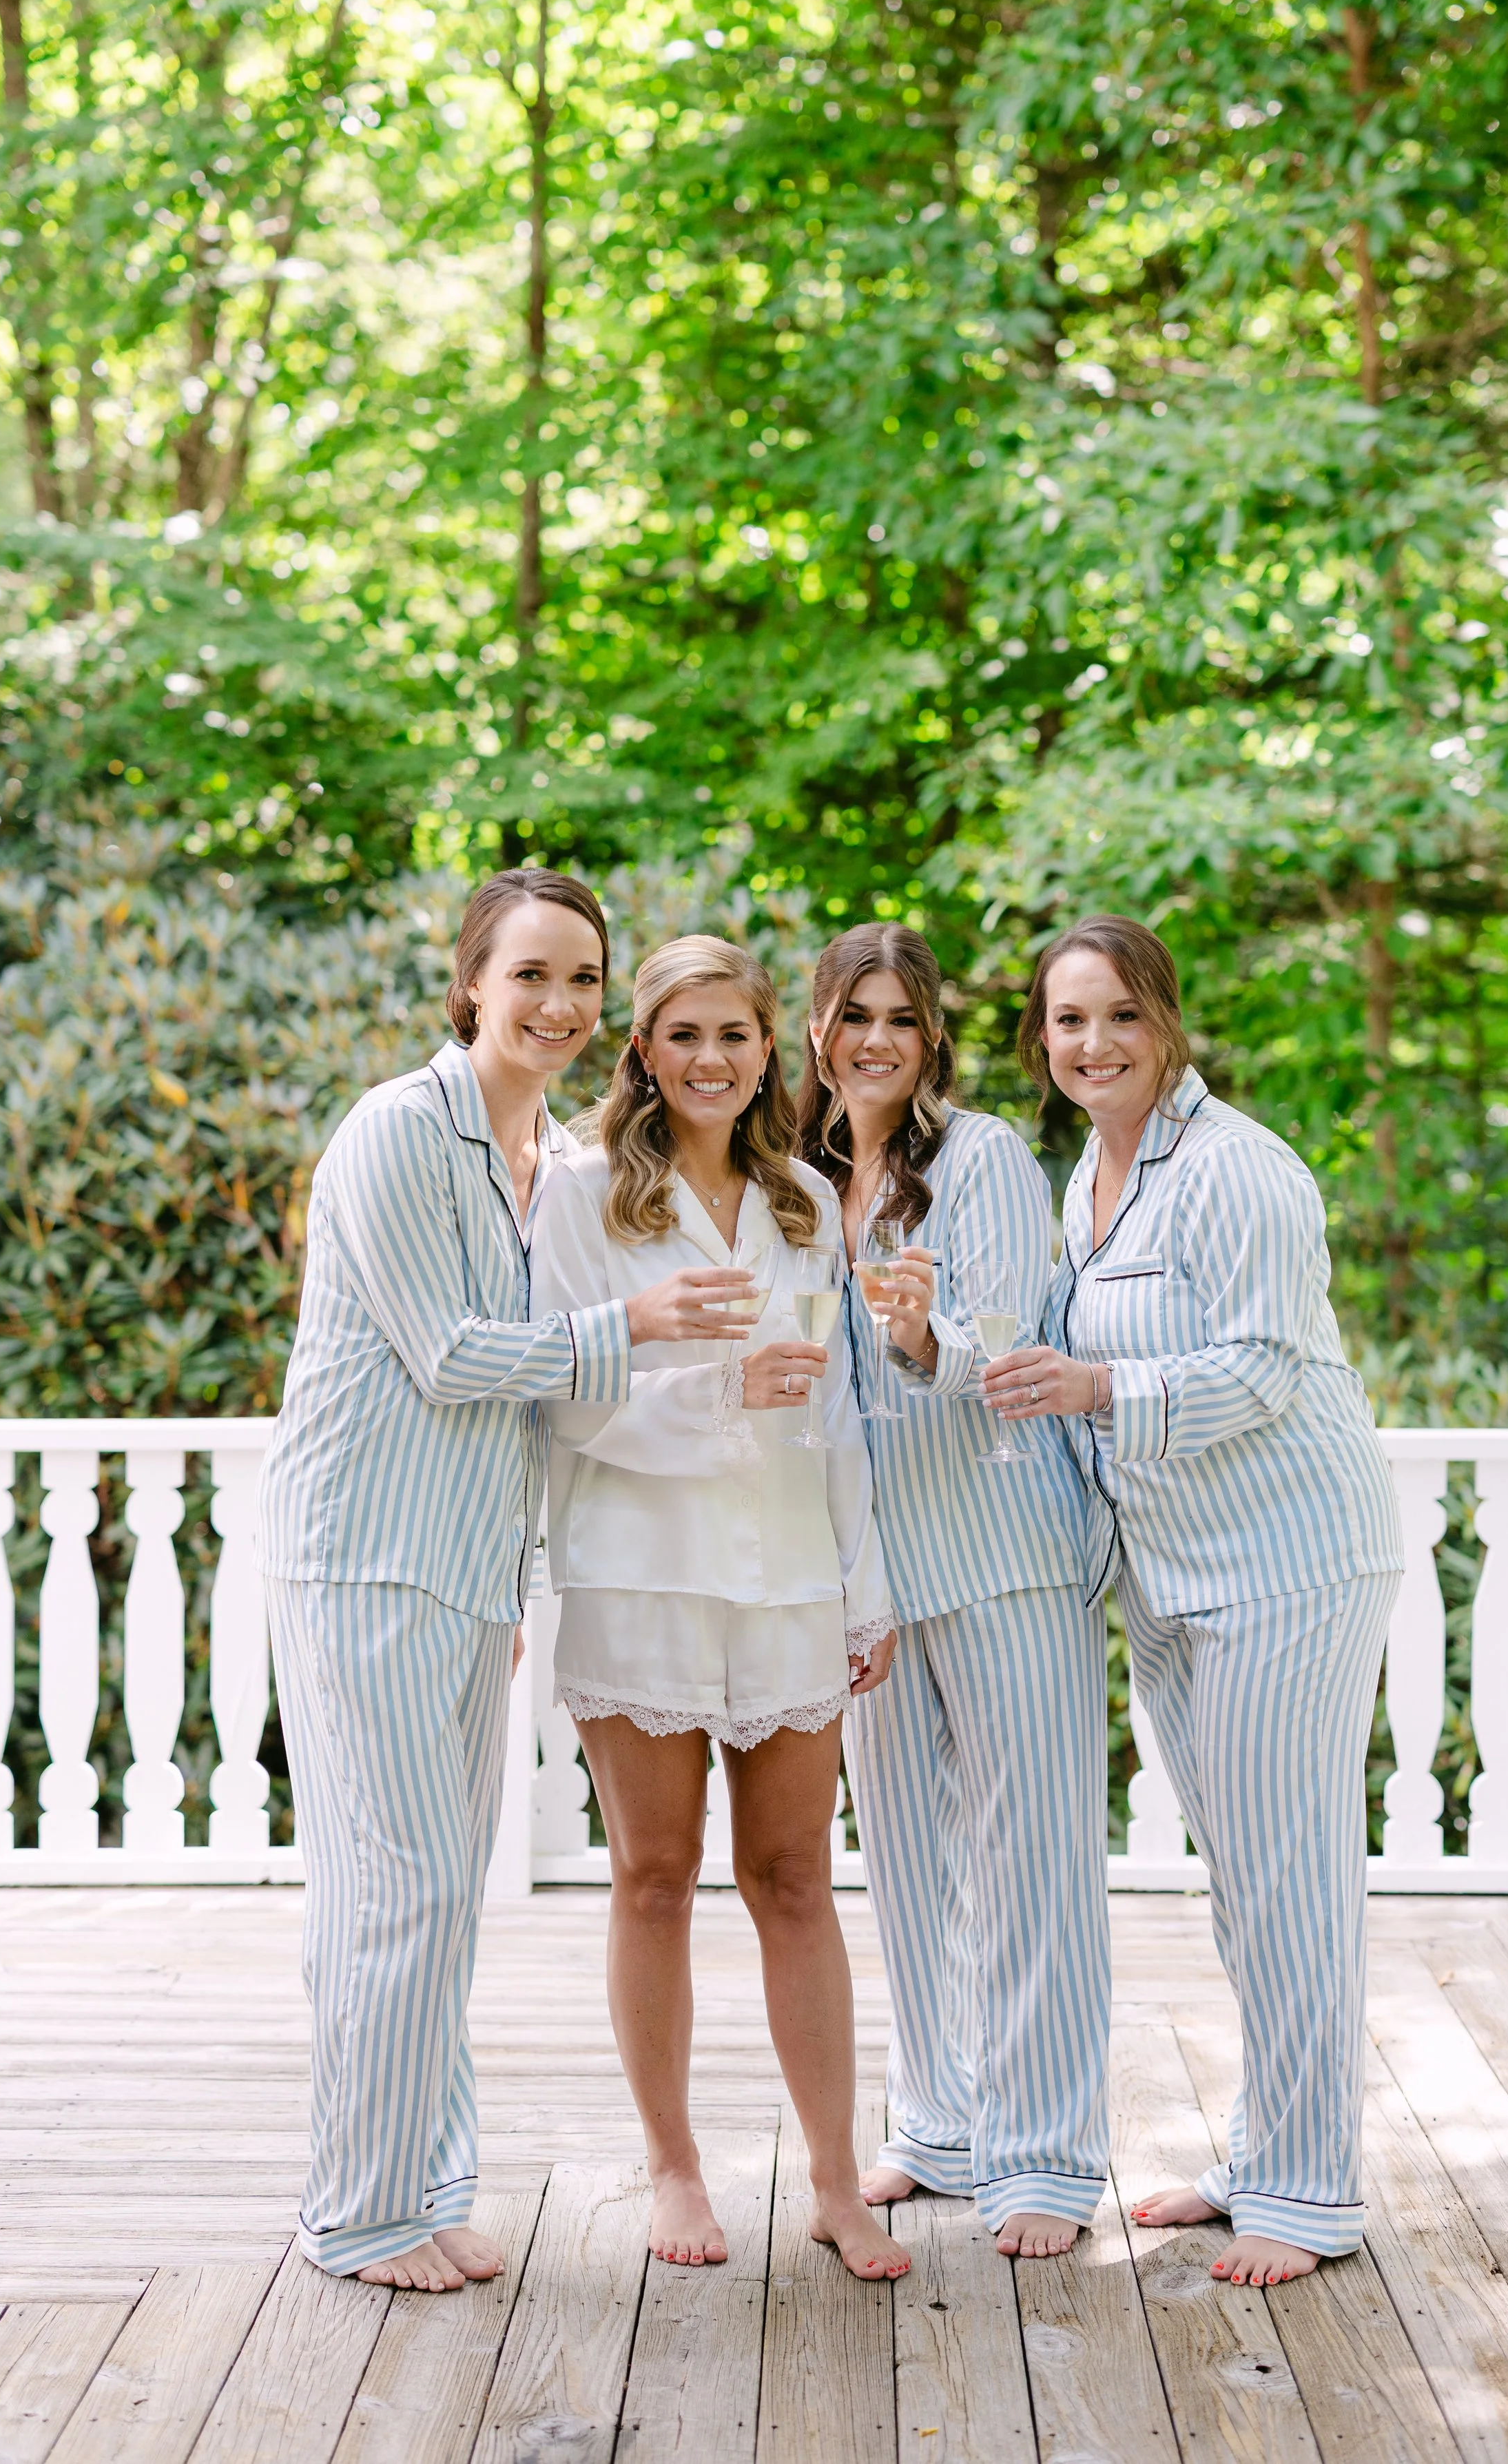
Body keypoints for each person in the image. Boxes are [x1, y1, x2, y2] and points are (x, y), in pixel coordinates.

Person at [258, 870, 759, 2293]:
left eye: (583, 980)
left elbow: (534, 1412)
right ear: (471, 979)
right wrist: (640, 1321)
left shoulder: (539, 1155)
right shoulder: (400, 1134)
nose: (559, 1003)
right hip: (365, 1553)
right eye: (530, 974)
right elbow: (453, 1357)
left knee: (434, 1893)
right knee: (394, 1889)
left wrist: (523, 1568)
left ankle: (417, 2184)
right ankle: (356, 2215)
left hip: (466, 1568)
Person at [981, 914, 1403, 2289]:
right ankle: (1259, 2151)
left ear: (1165, 1021)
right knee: (1241, 1880)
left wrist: (1100, 1389)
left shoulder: (1237, 1172)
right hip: (1171, 1572)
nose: (1090, 1044)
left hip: (1288, 1564)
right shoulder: (1083, 1183)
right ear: (1040, 1042)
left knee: (1289, 1879)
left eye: (1117, 1016)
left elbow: (1267, 1374)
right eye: (1065, 1022)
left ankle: (1308, 2191)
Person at [532, 933, 907, 2282]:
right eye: (681, 1036)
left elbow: (843, 1411)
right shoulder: (580, 1199)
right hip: (640, 1572)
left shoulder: (808, 1198)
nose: (707, 1060)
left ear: (768, 1051)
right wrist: (705, 1394)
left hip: (790, 1577)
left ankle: (829, 2181)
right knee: (651, 1876)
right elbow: (560, 1401)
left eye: (733, 1037)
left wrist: (863, 1594)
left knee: (796, 1880)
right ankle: (674, 2167)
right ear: (642, 1048)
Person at [794, 923, 1116, 2259]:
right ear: (816, 1027)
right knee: (904, 1864)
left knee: (1030, 1855)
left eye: (901, 1018)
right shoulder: (795, 1179)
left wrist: (925, 1332)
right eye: (852, 1014)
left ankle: (1044, 2153)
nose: (875, 1039)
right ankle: (934, 2125)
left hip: (1001, 1548)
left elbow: (1010, 1338)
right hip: (872, 1572)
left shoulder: (978, 1160)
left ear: (931, 1038)